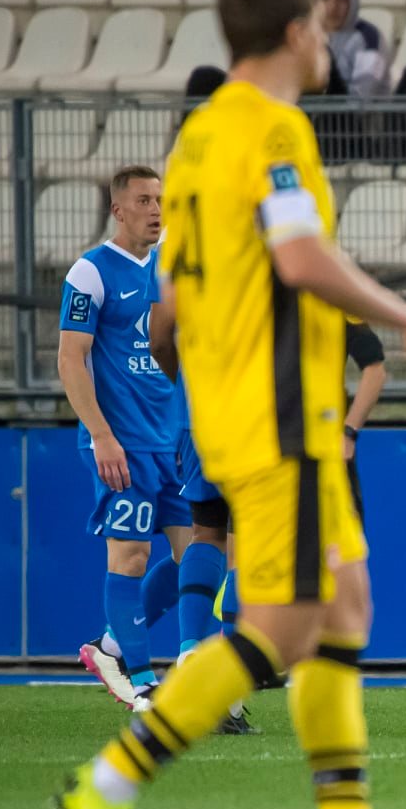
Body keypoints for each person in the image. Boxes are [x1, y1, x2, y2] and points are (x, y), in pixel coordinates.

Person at [53, 0, 406, 809]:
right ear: (293, 35)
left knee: (343, 601)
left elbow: (171, 311)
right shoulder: (270, 127)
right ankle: (111, 782)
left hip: (247, 407)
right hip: (279, 414)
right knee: (282, 623)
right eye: (318, 30)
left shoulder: (198, 140)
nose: (326, 43)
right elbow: (305, 256)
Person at [60, 166, 191, 713]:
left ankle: (110, 646)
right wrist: (101, 436)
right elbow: (71, 359)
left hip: (174, 442)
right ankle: (140, 682)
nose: (156, 210)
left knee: (203, 557)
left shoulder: (175, 272)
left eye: (161, 199)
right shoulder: (91, 273)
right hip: (121, 443)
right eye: (144, 200)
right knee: (131, 555)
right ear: (118, 210)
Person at [146, 284, 258, 735]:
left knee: (206, 530)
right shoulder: (266, 235)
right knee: (246, 540)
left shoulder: (182, 245)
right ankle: (227, 694)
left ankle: (190, 654)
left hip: (195, 415)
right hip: (252, 414)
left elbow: (158, 339)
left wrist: (186, 394)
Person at [316, 0, 390, 99]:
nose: (333, 7)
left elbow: (363, 97)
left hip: (357, 118)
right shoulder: (309, 35)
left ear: (353, 1)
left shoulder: (369, 37)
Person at [342, 318, 386, 520]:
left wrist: (348, 433)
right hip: (258, 448)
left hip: (323, 448)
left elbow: (375, 370)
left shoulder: (336, 304)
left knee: (343, 547)